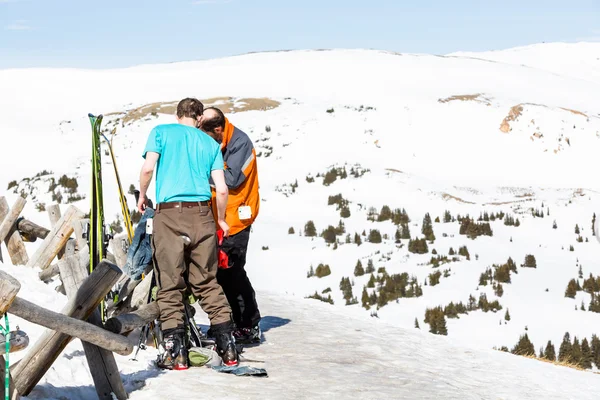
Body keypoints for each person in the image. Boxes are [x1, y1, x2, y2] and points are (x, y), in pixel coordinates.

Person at [137, 98, 238, 370]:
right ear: (199, 118)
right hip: (203, 214)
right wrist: (222, 221)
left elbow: (148, 168)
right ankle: (228, 346)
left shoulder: (161, 132)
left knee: (169, 283)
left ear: (178, 114)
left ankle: (176, 352)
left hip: (169, 214)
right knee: (206, 282)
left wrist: (143, 195)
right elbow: (223, 188)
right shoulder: (210, 144)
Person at [198, 106, 262, 344]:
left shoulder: (241, 143)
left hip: (236, 219)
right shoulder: (217, 141)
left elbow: (233, 179)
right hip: (216, 216)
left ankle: (248, 324)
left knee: (232, 271)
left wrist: (197, 172)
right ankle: (227, 323)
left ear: (217, 128)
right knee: (217, 273)